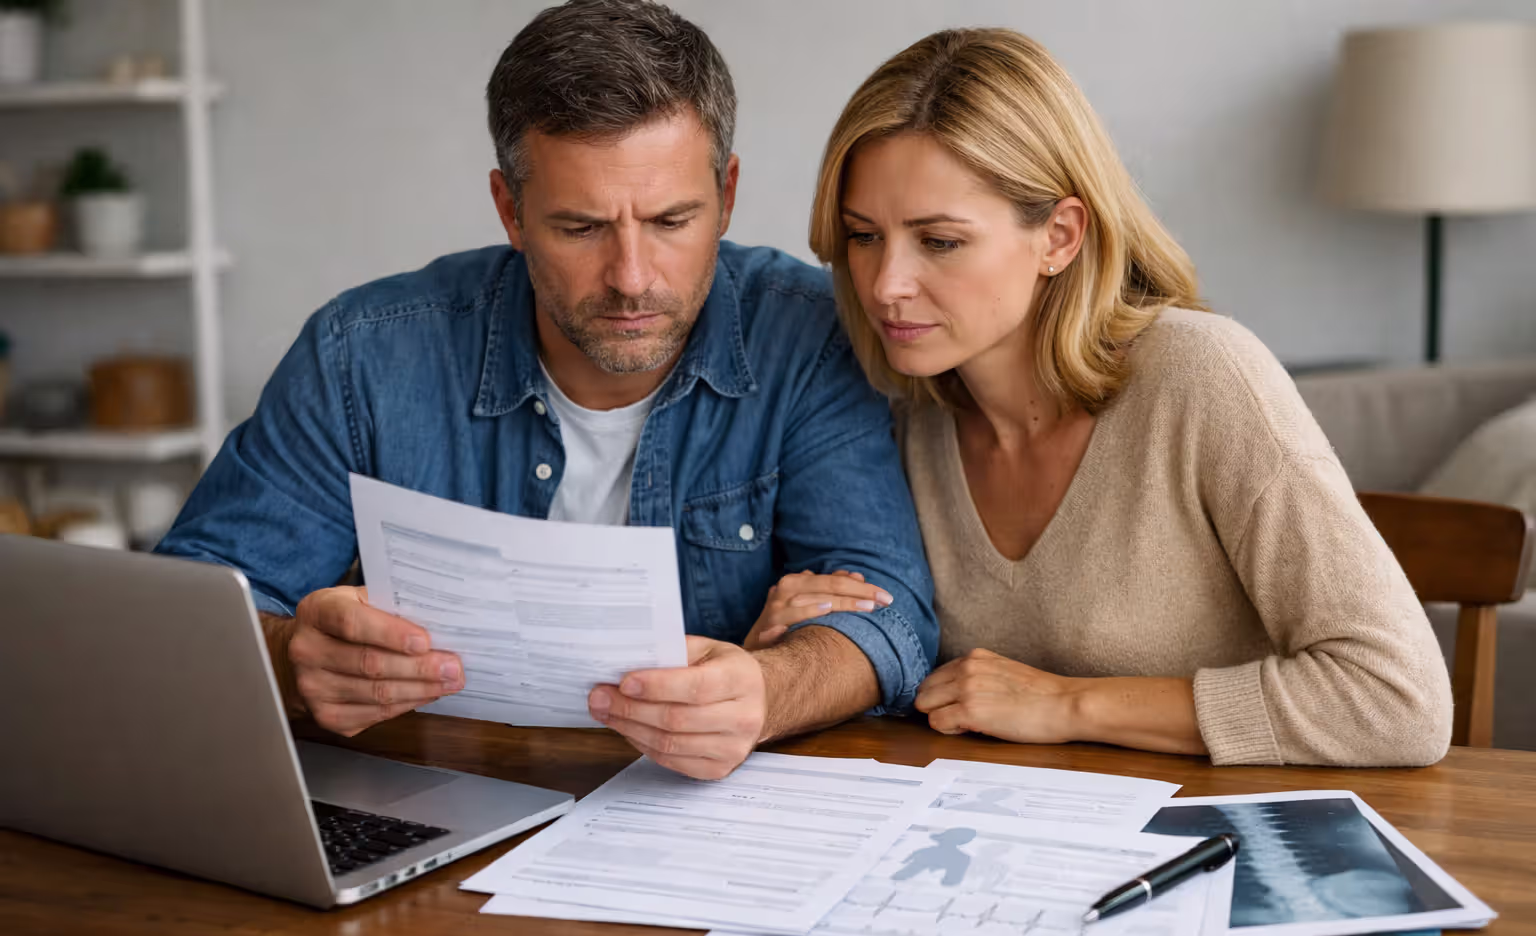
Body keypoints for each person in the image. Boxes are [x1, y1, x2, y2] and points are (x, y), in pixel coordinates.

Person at [155, 0, 937, 781]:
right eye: (580, 228)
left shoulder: (807, 334)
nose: (631, 280)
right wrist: (293, 658)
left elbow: (891, 613)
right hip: (437, 796)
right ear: (511, 210)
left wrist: (768, 689)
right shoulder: (364, 354)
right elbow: (189, 609)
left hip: (694, 816)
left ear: (727, 196)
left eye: (671, 221)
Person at [769, 27, 1452, 767]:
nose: (884, 285)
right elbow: (939, 689)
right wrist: (811, 644)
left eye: (938, 241)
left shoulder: (1203, 378)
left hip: (1216, 846)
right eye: (863, 236)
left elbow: (1398, 700)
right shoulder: (898, 415)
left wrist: (1067, 705)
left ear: (1060, 236)